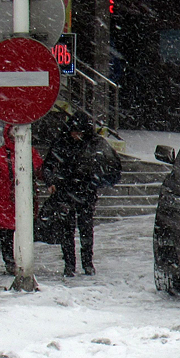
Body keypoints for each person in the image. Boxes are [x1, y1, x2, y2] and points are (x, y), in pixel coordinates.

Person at [42, 111, 121, 277]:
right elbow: (47, 166)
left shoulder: (91, 144)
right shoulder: (63, 143)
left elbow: (108, 163)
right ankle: (70, 264)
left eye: (79, 132)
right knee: (67, 230)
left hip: (84, 191)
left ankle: (86, 263)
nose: (76, 135)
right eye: (74, 132)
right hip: (68, 191)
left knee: (84, 228)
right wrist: (51, 182)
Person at [0, 125, 44, 275]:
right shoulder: (1, 155)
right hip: (4, 203)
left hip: (20, 204)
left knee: (20, 234)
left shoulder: (29, 152)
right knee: (7, 235)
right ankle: (10, 262)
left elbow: (40, 170)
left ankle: (20, 261)